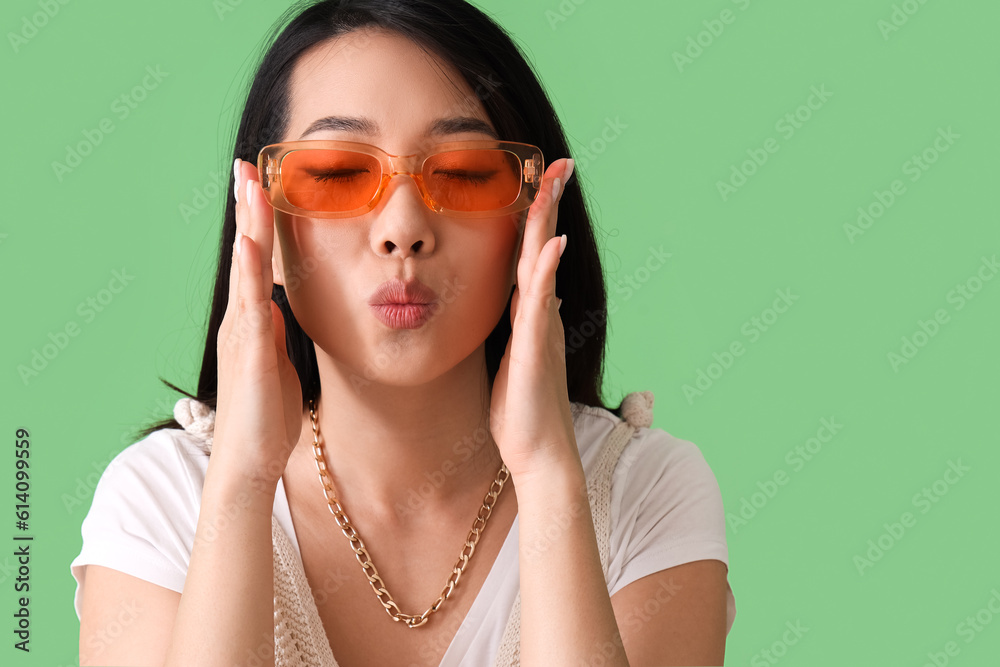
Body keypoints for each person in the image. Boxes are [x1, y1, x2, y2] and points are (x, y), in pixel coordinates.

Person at [70, 1, 736, 665]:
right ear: (263, 224)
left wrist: (548, 475)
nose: (402, 227)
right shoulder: (160, 502)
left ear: (532, 218)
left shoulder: (646, 492)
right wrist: (243, 482)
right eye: (336, 173)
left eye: (465, 173)